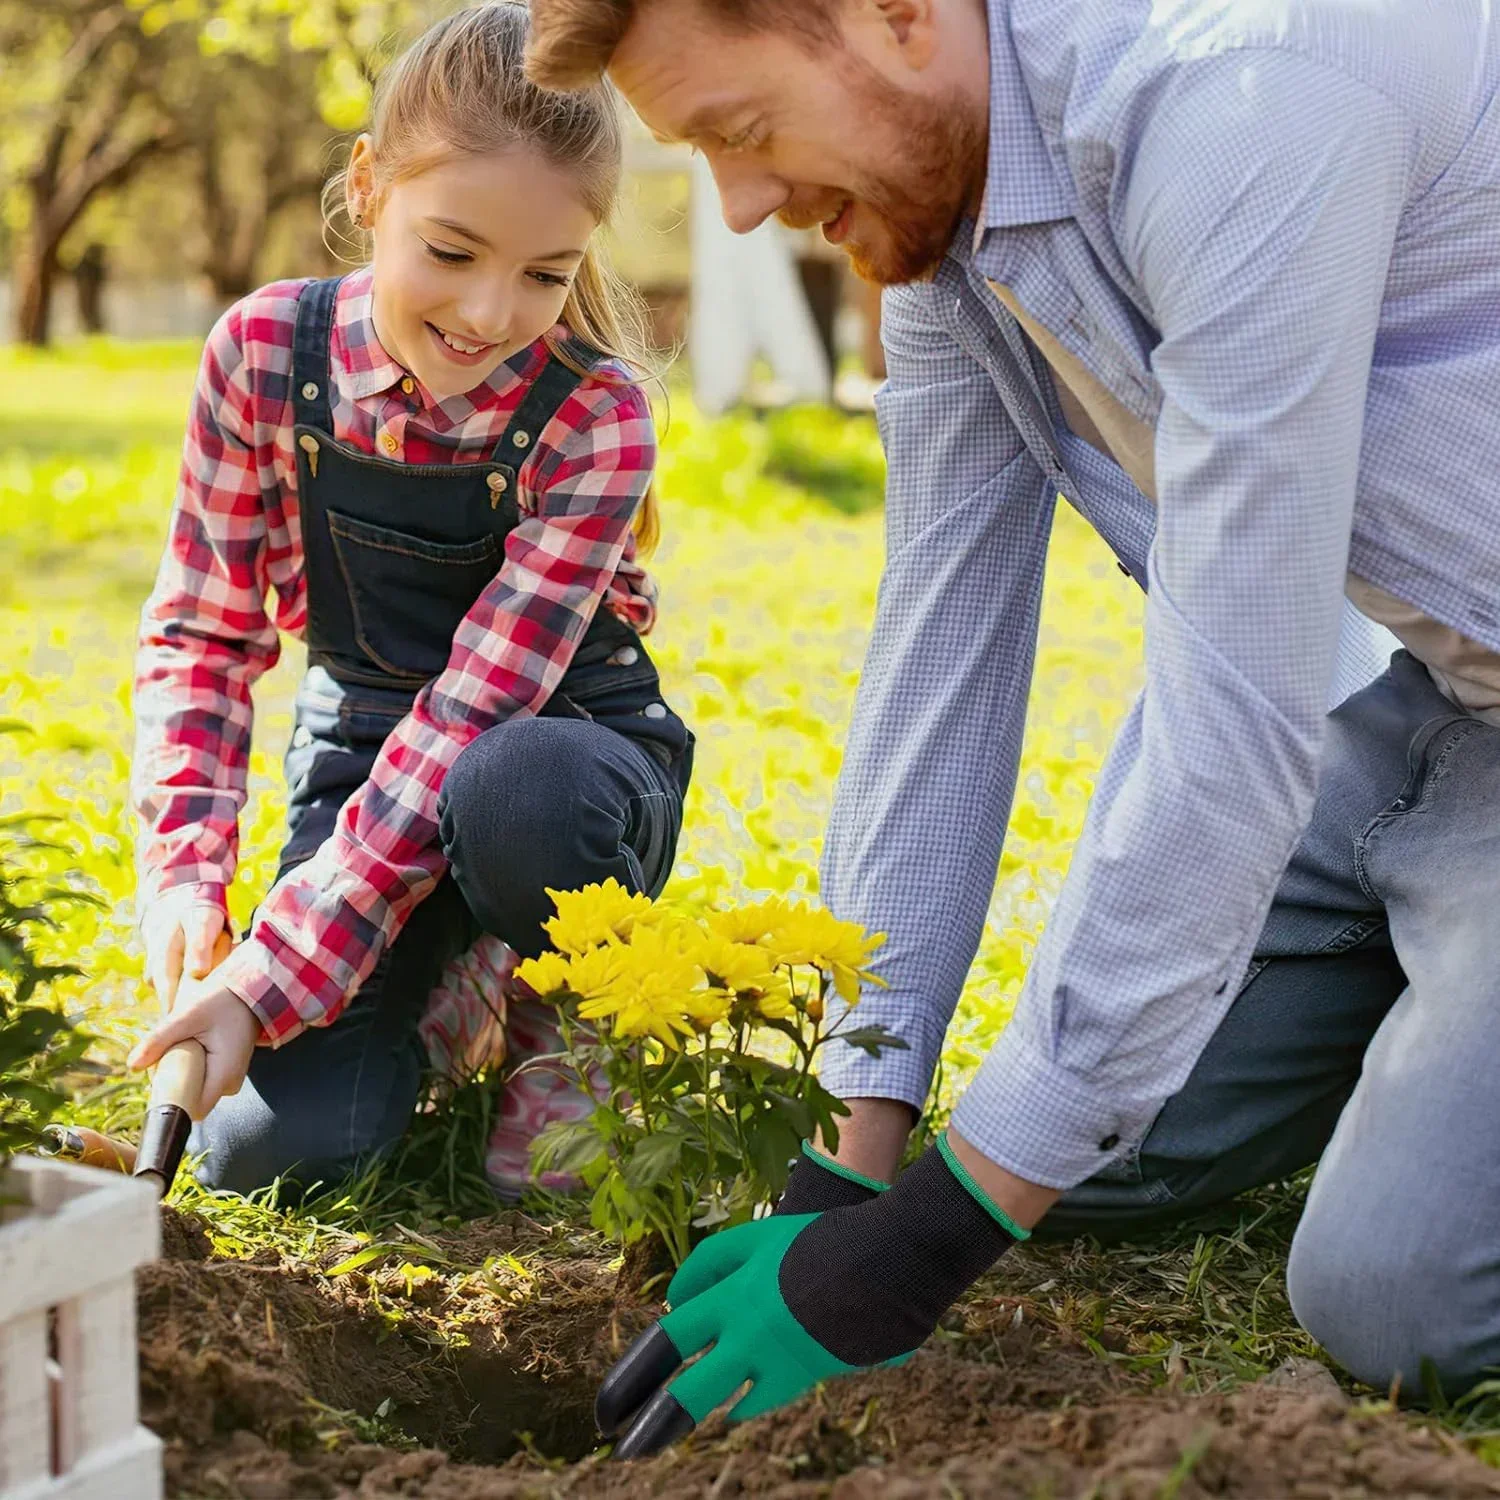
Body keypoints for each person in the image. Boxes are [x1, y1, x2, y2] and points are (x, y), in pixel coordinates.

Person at [524, 0, 1500, 1456]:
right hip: (1447, 705)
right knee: (1063, 1135)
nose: (741, 209)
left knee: (1396, 1292)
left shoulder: (1248, 99)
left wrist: (917, 1258)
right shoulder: (958, 234)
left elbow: (1234, 719)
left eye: (740, 132)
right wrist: (852, 1154)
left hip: (1376, 728)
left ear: (895, 16)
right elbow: (940, 657)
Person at [126, 2, 693, 1201]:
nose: (490, 315)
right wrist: (189, 877)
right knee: (275, 1157)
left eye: (546, 274)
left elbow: (469, 723)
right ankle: (448, 977)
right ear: (370, 186)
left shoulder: (595, 422)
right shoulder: (263, 358)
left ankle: (560, 999)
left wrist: (273, 973)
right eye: (451, 250)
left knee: (513, 797)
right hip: (365, 743)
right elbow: (204, 637)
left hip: (558, 765)